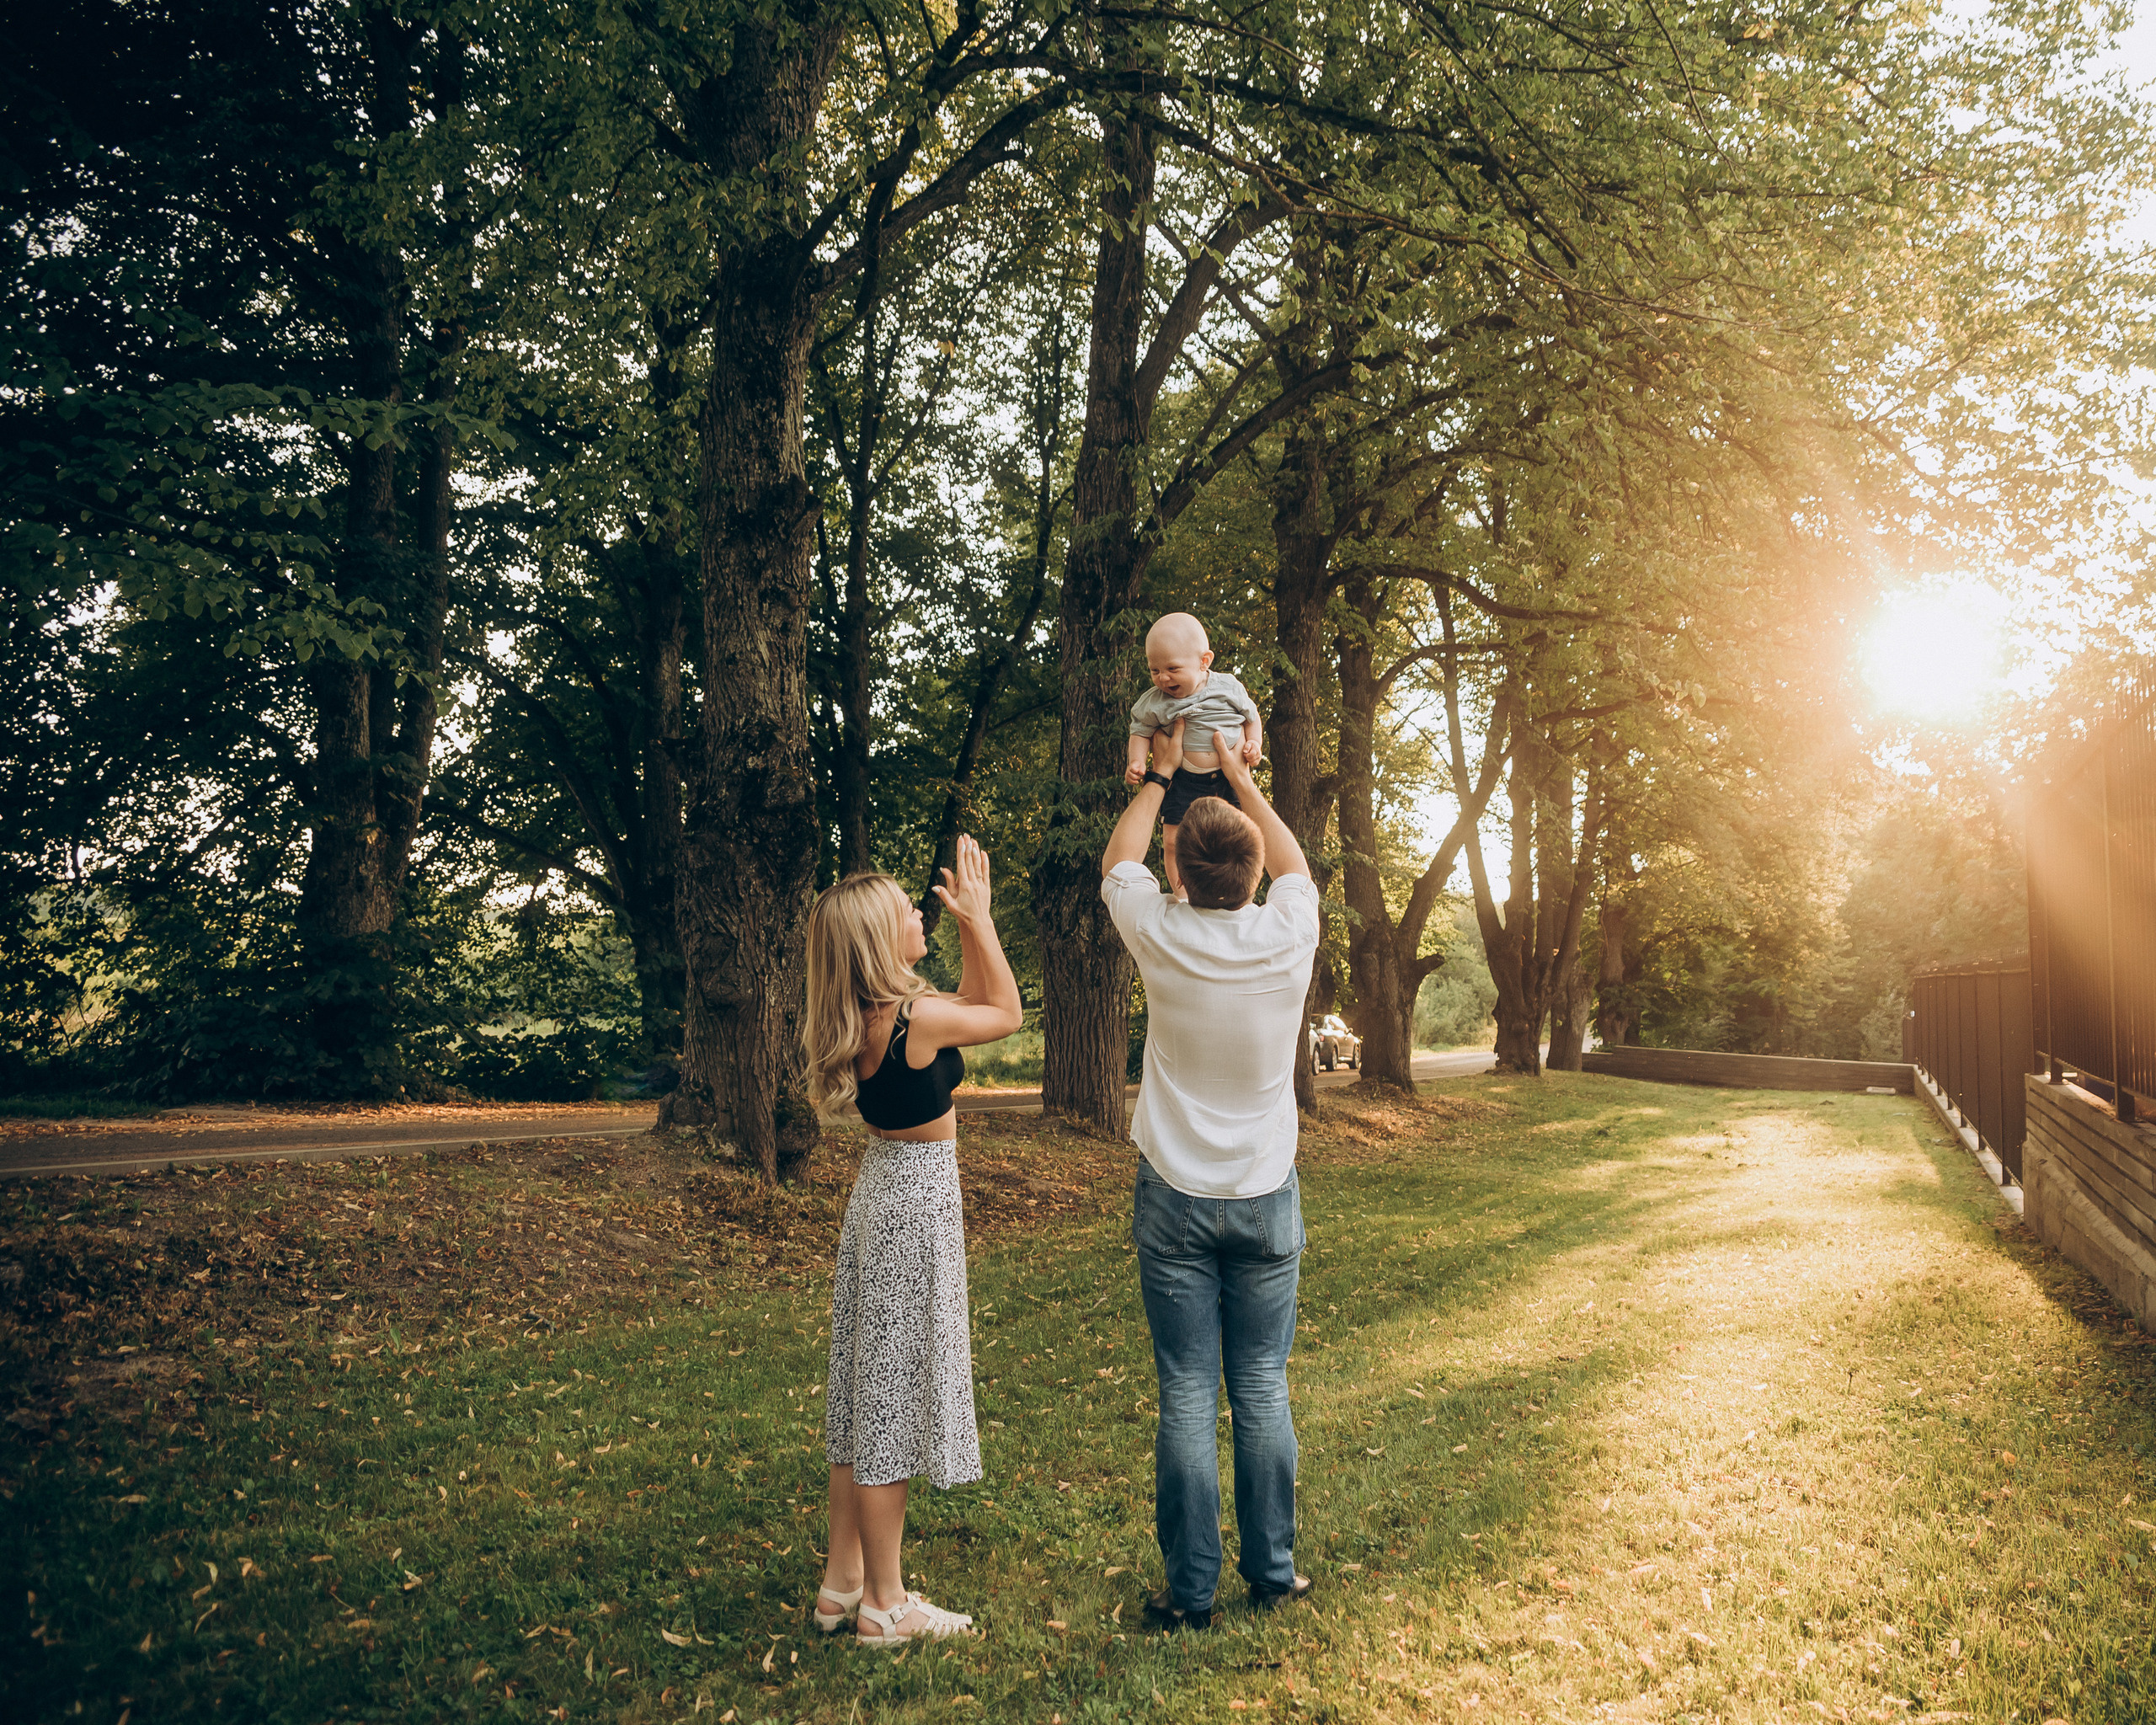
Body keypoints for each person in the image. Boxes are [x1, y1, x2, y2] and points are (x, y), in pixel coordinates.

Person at [1101, 718, 1320, 1629]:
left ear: (1180, 874)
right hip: (1265, 1198)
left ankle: (1190, 1593)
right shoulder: (1288, 931)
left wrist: (1158, 776)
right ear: (1255, 873)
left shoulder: (1161, 931)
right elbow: (1294, 861)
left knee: (1189, 1388)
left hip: (1176, 1204)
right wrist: (1236, 766)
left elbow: (1120, 861)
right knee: (1261, 1382)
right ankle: (1272, 1571)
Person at [801, 835, 1023, 1648]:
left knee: (863, 1402)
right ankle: (887, 1606)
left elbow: (971, 998)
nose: (919, 911)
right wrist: (983, 919)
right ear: (874, 940)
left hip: (881, 1200)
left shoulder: (876, 1018)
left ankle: (842, 1582)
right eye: (908, 910)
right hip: (913, 1212)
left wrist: (967, 927)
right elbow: (1004, 1011)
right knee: (889, 1407)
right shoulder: (914, 1020)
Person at [1123, 611, 1263, 899]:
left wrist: (1254, 745)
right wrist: (1136, 762)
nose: (1162, 678)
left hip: (1227, 779)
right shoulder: (1154, 702)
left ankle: (1239, 893)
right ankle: (1182, 896)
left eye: (1173, 669)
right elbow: (1140, 731)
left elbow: (1251, 717)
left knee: (1237, 840)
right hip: (1182, 779)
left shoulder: (1228, 687)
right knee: (1173, 839)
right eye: (1154, 670)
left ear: (1204, 661)